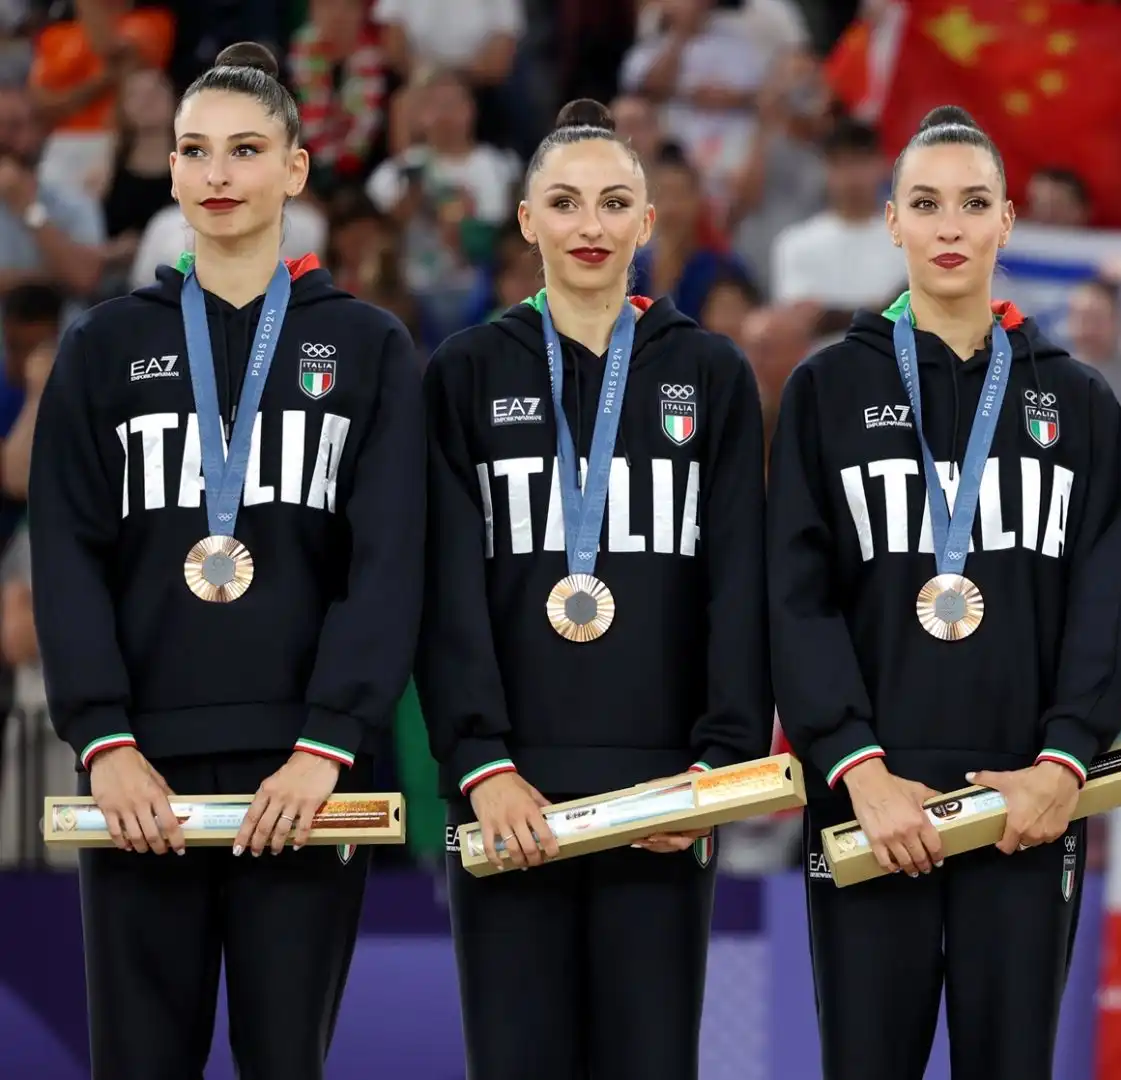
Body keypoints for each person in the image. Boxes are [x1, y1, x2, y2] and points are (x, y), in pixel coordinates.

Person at [27, 42, 423, 1080]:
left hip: (305, 778)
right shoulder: (103, 347)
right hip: (137, 774)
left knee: (284, 1062)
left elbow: (386, 563)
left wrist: (329, 740)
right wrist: (104, 739)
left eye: (246, 150)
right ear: (167, 170)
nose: (218, 174)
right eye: (195, 150)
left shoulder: (371, 347)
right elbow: (66, 552)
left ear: (295, 168)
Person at [767, 105, 1121, 1080]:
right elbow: (795, 597)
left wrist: (1064, 763)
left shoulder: (1080, 402)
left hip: (1028, 804)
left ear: (1007, 222)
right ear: (889, 221)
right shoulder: (828, 391)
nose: (949, 227)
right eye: (926, 203)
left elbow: (1108, 603)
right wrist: (857, 768)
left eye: (973, 204)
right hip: (871, 798)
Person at [415, 98, 770, 1080]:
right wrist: (480, 762)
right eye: (564, 203)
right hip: (507, 799)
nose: (590, 226)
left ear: (649, 224)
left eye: (615, 203)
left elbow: (740, 577)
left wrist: (719, 768)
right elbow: (443, 585)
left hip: (662, 795)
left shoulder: (710, 372)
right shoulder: (466, 372)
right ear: (526, 220)